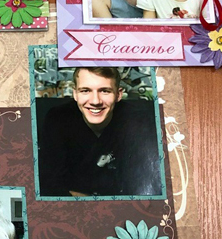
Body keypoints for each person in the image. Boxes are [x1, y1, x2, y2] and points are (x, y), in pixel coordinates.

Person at [38, 67, 162, 197]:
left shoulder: (140, 121)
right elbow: (49, 184)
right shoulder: (57, 118)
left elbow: (145, 185)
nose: (95, 101)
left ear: (118, 95)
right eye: (85, 91)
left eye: (105, 91)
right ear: (75, 94)